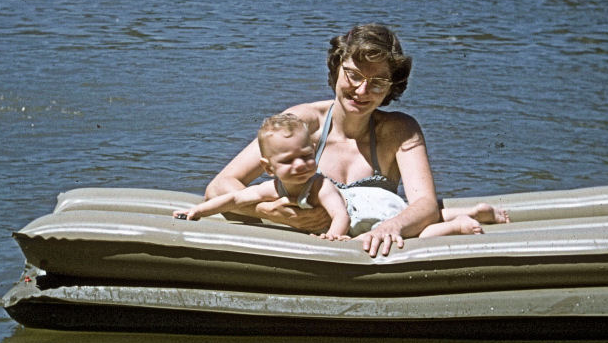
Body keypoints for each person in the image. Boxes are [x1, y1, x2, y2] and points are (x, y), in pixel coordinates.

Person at [205, 24, 507, 257]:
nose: (362, 91)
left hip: (371, 232)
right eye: (353, 75)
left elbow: (425, 204)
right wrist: (273, 213)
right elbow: (220, 185)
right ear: (336, 69)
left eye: (377, 83)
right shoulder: (303, 124)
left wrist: (392, 227)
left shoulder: (401, 130)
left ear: (391, 88)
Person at [176, 114, 351, 239]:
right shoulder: (272, 188)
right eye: (288, 161)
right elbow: (234, 199)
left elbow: (341, 215)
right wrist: (198, 211)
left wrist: (333, 237)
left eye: (306, 156)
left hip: (359, 217)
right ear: (269, 168)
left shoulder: (321, 186)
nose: (299, 165)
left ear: (313, 151)